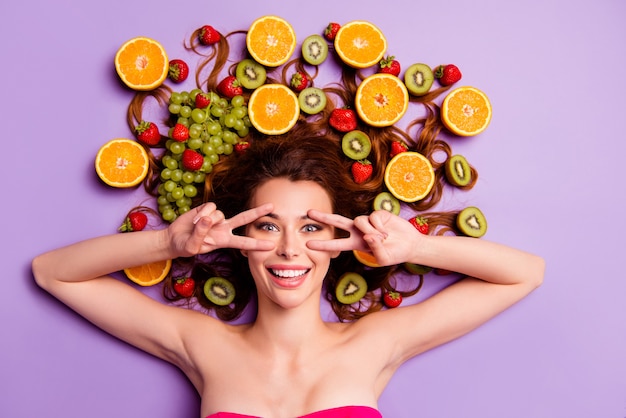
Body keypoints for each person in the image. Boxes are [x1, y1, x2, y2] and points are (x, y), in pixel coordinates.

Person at [32, 121, 544, 417]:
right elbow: (54, 271)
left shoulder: (374, 342)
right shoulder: (204, 345)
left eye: (312, 227)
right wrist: (170, 241)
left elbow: (525, 272)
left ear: (339, 241)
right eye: (270, 226)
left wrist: (415, 246)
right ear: (243, 239)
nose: (291, 250)